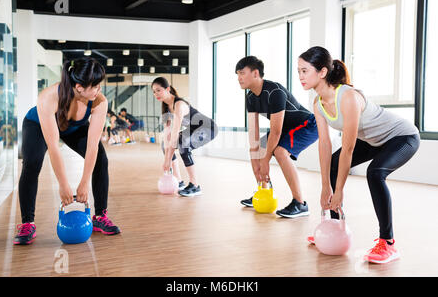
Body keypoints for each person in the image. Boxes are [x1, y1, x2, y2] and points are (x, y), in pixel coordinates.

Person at [299, 46, 420, 263]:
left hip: (403, 137)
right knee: (334, 162)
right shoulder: (318, 103)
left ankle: (388, 243)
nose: (300, 76)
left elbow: (348, 148)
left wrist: (339, 190)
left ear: (322, 72)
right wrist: (326, 186)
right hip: (374, 141)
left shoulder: (347, 97)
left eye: (305, 71)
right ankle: (334, 228)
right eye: (299, 71)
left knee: (375, 173)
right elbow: (324, 144)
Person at [15, 57, 121, 245]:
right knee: (31, 164)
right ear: (79, 87)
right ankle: (27, 223)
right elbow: (54, 146)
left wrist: (83, 183)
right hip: (37, 125)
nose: (99, 90)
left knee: (101, 160)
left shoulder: (99, 101)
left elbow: (92, 145)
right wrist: (64, 185)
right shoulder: (49, 97)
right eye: (95, 86)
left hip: (73, 128)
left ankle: (100, 216)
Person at [236, 56, 318, 218]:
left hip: (307, 125)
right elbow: (253, 135)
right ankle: (263, 192)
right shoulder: (250, 98)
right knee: (256, 151)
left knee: (280, 152)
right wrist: (256, 159)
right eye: (237, 74)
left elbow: (276, 131)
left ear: (255, 73)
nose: (239, 78)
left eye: (242, 73)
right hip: (285, 127)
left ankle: (300, 203)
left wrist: (265, 161)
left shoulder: (274, 91)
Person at [152, 77, 218, 197]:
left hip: (208, 128)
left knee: (183, 144)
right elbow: (168, 136)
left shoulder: (179, 104)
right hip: (193, 130)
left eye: (158, 90)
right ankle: (179, 181)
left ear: (167, 89)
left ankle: (195, 185)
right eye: (154, 91)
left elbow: (175, 133)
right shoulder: (166, 108)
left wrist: (167, 160)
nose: (156, 94)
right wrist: (166, 158)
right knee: (164, 143)